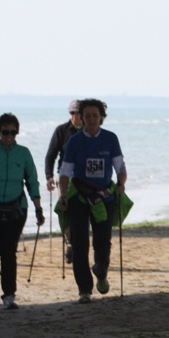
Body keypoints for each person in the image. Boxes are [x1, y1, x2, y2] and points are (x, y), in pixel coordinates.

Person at [57, 99, 127, 304]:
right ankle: (84, 290)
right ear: (81, 118)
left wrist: (121, 183)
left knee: (102, 241)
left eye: (95, 115)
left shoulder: (110, 138)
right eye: (87, 115)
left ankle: (101, 271)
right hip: (79, 197)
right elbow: (65, 172)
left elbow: (120, 167)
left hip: (104, 196)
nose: (91, 119)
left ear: (101, 117)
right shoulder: (75, 141)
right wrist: (63, 195)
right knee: (79, 244)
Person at [0, 113, 45, 310]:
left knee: (8, 251)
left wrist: (38, 208)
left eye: (13, 132)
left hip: (17, 209)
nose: (9, 136)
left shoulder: (24, 153)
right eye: (5, 132)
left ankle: (9, 295)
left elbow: (32, 181)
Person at [43, 99, 82, 263]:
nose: (76, 116)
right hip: (64, 177)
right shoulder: (61, 131)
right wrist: (49, 176)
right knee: (64, 211)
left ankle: (79, 245)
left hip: (83, 178)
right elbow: (50, 155)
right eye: (73, 113)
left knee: (82, 213)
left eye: (79, 113)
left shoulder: (89, 131)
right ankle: (70, 244)